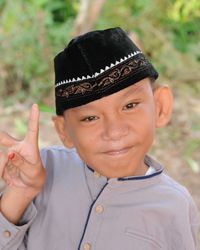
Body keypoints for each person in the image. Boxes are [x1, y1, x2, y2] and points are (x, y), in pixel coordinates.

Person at [0, 27, 199, 250]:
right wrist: (20, 192)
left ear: (160, 107)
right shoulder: (39, 171)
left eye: (130, 106)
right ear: (64, 131)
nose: (114, 132)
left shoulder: (173, 207)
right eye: (90, 118)